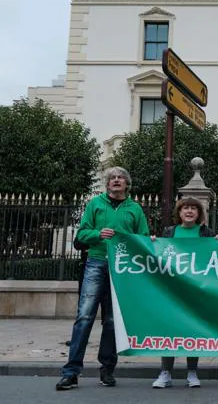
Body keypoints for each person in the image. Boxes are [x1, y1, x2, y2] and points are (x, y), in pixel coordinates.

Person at [56, 167, 149, 391]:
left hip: (122, 268)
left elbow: (143, 238)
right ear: (107, 184)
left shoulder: (135, 209)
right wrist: (98, 234)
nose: (116, 181)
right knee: (84, 317)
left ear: (127, 184)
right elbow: (81, 234)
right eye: (112, 178)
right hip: (96, 263)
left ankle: (107, 369)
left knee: (111, 321)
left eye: (120, 178)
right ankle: (71, 371)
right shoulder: (95, 204)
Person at [151, 197, 217, 389]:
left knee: (192, 330)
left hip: (196, 289)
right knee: (169, 329)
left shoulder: (206, 233)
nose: (189, 211)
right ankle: (165, 372)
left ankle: (192, 372)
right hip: (173, 290)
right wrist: (153, 243)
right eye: (185, 208)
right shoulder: (169, 232)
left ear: (199, 213)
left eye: (193, 209)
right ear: (179, 213)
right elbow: (160, 256)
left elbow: (214, 257)